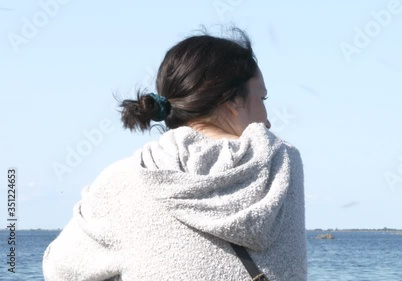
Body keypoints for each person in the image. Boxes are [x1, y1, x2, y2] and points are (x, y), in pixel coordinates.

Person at [42, 27, 306, 281]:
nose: (268, 120)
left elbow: (60, 271)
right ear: (232, 101)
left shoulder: (122, 181)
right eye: (263, 99)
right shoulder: (282, 164)